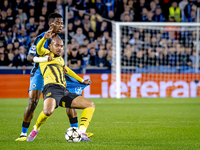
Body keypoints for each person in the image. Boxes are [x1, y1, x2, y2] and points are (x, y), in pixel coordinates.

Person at [15, 13, 91, 142]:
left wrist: (79, 79)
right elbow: (29, 57)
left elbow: (63, 64)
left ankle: (77, 132)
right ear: (50, 24)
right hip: (39, 73)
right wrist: (44, 59)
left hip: (57, 72)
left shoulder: (59, 40)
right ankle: (23, 134)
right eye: (58, 23)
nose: (61, 25)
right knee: (33, 102)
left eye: (62, 23)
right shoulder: (41, 38)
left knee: (71, 99)